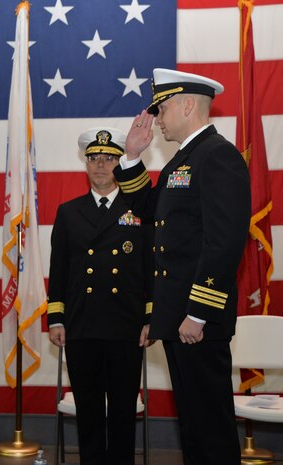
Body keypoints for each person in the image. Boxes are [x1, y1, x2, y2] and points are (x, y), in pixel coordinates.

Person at [113, 69, 251, 465]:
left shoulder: (217, 155)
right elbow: (152, 213)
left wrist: (198, 312)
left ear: (187, 105)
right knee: (192, 424)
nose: (156, 119)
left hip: (197, 321)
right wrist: (132, 157)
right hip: (181, 319)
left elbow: (223, 243)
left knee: (209, 425)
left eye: (162, 108)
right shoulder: (183, 160)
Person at [47, 127, 154, 465]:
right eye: (94, 158)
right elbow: (60, 269)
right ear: (86, 163)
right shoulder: (68, 212)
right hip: (82, 325)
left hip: (126, 326)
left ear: (121, 162)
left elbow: (151, 267)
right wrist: (56, 318)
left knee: (123, 410)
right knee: (89, 412)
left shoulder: (138, 207)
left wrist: (150, 317)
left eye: (109, 158)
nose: (101, 165)